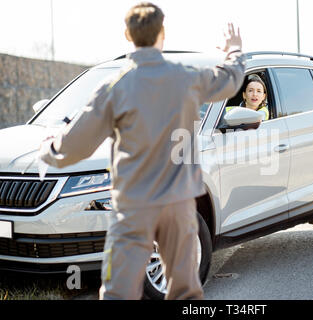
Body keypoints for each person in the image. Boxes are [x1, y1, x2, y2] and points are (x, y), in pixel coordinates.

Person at [39, 2, 245, 300]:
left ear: (127, 34)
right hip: (178, 205)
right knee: (186, 293)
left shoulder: (114, 88)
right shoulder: (186, 78)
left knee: (118, 293)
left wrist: (49, 148)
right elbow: (230, 79)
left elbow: (74, 147)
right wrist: (234, 49)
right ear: (163, 32)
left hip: (133, 208)